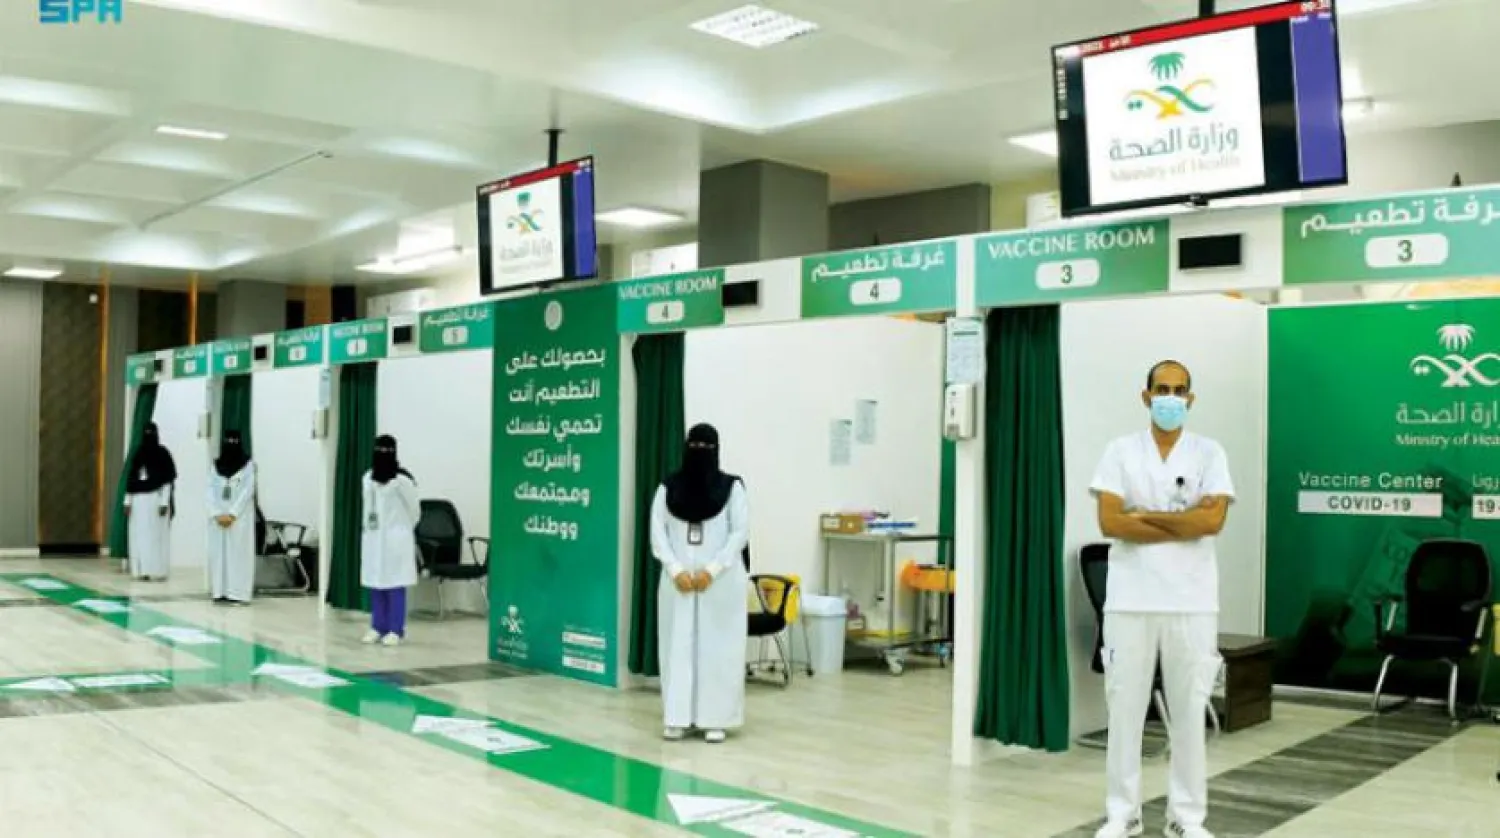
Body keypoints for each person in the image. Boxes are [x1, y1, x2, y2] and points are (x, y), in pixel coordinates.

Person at [1090, 360, 1234, 838]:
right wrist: (1181, 523)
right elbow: (1110, 522)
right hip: (1130, 600)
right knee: (1124, 712)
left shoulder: (1209, 453)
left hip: (1192, 600)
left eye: (1179, 390)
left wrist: (1143, 517)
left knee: (1190, 713)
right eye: (1162, 389)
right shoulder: (1120, 452)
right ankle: (1122, 815)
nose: (1170, 397)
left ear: (1190, 398)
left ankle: (1186, 819)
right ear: (1146, 396)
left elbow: (1211, 522)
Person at [651, 424, 750, 744]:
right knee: (677, 647)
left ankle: (715, 719)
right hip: (677, 583)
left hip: (720, 584)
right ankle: (676, 718)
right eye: (694, 446)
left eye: (706, 447)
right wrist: (675, 569)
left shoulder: (732, 488)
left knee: (718, 650)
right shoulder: (667, 488)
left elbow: (739, 533)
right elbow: (658, 532)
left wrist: (712, 570)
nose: (700, 453)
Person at [361, 435, 419, 646]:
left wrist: (400, 530)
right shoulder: (368, 478)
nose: (382, 455)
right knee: (376, 583)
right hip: (374, 537)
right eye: (379, 450)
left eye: (387, 451)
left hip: (396, 540)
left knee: (395, 584)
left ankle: (396, 629)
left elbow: (415, 511)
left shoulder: (403, 480)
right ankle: (377, 626)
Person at [206, 430, 257, 606]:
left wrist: (233, 514)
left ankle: (238, 593)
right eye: (228, 440)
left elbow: (248, 490)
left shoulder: (248, 465)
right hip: (218, 519)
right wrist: (217, 513)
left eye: (235, 440)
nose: (231, 443)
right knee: (219, 555)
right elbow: (209, 490)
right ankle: (219, 591)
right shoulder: (216, 465)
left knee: (238, 555)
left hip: (239, 519)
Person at [123, 422, 176, 582]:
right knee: (139, 536)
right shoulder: (138, 453)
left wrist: (164, 502)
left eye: (151, 432)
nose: (148, 435)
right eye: (146, 432)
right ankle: (141, 571)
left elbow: (167, 481)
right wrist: (127, 501)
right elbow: (131, 480)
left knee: (156, 537)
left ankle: (156, 571)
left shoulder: (163, 454)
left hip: (155, 500)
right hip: (138, 502)